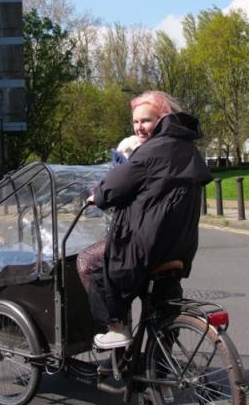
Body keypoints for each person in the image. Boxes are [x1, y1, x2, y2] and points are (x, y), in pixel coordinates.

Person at [85, 91, 212, 350]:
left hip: (145, 245)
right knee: (164, 307)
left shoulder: (153, 150)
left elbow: (114, 186)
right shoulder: (187, 148)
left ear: (163, 118)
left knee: (87, 262)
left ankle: (116, 327)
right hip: (178, 245)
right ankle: (158, 367)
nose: (139, 127)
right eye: (135, 122)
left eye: (146, 121)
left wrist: (95, 197)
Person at [76, 134, 140, 295]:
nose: (124, 155)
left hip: (136, 242)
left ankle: (108, 319)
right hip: (174, 243)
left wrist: (97, 197)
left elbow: (111, 193)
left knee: (85, 261)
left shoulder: (133, 170)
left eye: (128, 151)